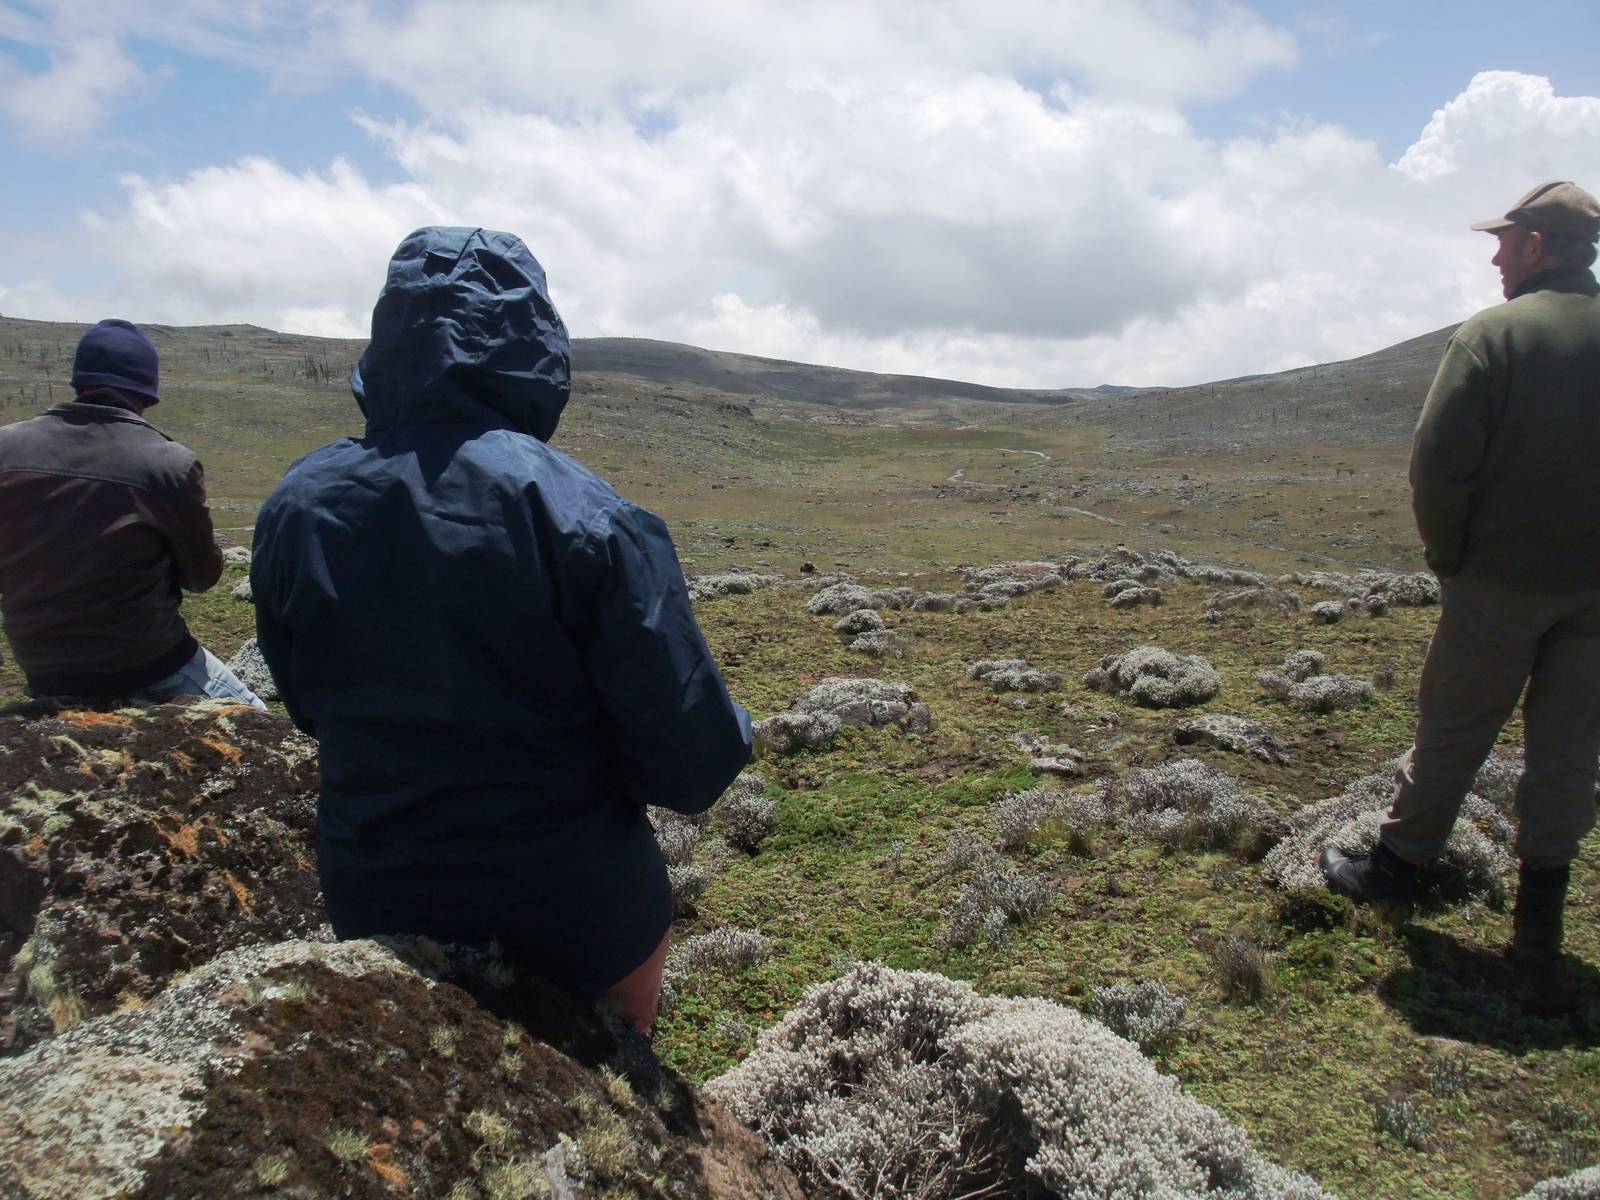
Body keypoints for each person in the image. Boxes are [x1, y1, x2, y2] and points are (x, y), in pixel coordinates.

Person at [251, 227, 752, 1032]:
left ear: (390, 338)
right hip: (575, 917)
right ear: (536, 346)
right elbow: (692, 766)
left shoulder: (297, 506)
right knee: (608, 1096)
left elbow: (308, 705)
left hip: (374, 895)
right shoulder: (584, 514)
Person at [1321, 181, 1600, 967]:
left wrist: (1449, 557)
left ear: (1537, 246)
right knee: (1571, 745)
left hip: (1500, 581)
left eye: (1505, 241)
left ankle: (1396, 869)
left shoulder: (1496, 336)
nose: (1495, 255)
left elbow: (1438, 463)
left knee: (1454, 725)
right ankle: (1541, 919)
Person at [0, 319, 264, 708]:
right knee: (262, 722)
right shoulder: (167, 463)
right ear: (148, 389)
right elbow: (203, 577)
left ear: (79, 380)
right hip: (149, 665)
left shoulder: (7, 447)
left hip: (43, 669)